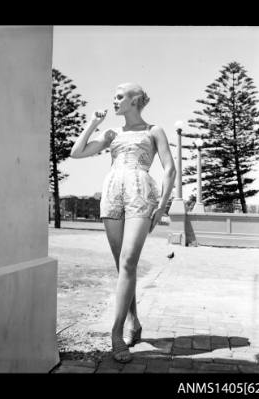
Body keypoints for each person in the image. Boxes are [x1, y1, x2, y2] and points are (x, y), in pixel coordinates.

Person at [70, 83, 176, 363]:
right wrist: (93, 123)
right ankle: (134, 323)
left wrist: (161, 208)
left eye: (119, 96)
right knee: (122, 266)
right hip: (112, 193)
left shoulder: (154, 130)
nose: (114, 100)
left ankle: (116, 334)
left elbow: (169, 169)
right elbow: (76, 152)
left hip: (141, 193)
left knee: (129, 263)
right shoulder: (112, 133)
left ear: (136, 100)